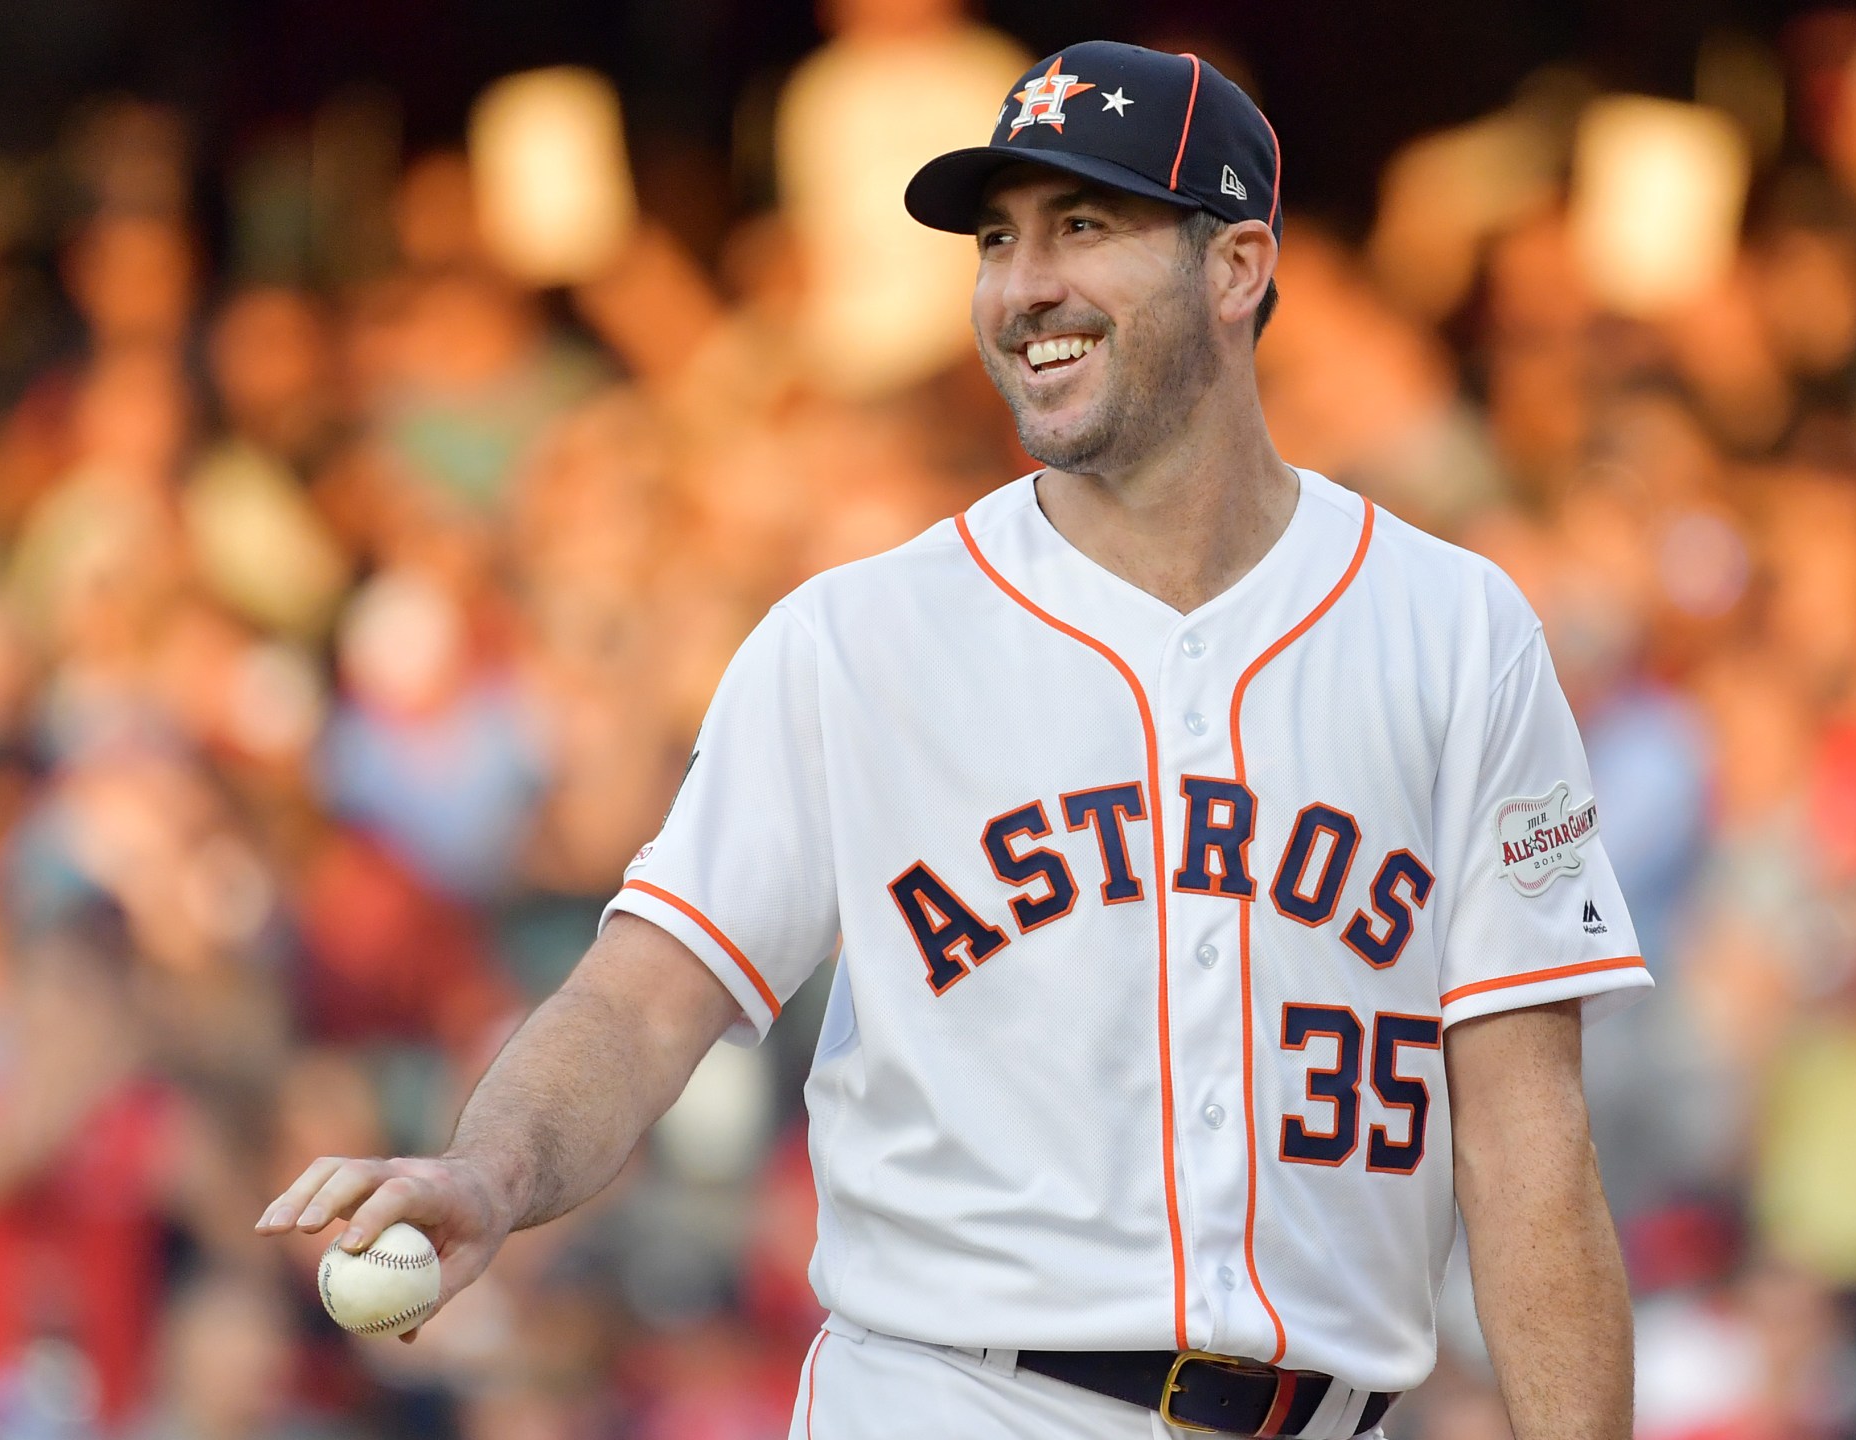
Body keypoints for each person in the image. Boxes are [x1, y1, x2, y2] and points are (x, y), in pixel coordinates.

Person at [258, 41, 1648, 1439]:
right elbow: (642, 996)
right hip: (956, 1399)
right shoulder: (856, 639)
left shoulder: (1456, 631)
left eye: (1083, 227)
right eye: (998, 240)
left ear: (1235, 270)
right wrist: (492, 1172)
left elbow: (1533, 1147)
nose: (1023, 284)